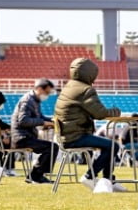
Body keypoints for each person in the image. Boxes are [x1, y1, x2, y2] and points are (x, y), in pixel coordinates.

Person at [55, 58, 126, 192]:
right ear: (90, 74)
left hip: (67, 136)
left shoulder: (68, 87)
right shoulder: (85, 90)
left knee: (109, 146)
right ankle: (90, 176)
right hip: (76, 136)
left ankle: (109, 180)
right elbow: (99, 114)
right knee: (113, 146)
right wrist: (116, 111)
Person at [11, 78, 59, 184]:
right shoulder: (27, 101)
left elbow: (40, 117)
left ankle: (35, 175)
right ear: (40, 89)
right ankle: (36, 176)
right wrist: (43, 123)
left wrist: (53, 121)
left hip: (27, 137)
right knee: (52, 147)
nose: (47, 95)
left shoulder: (34, 101)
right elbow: (23, 120)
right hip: (22, 138)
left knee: (51, 147)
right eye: (47, 92)